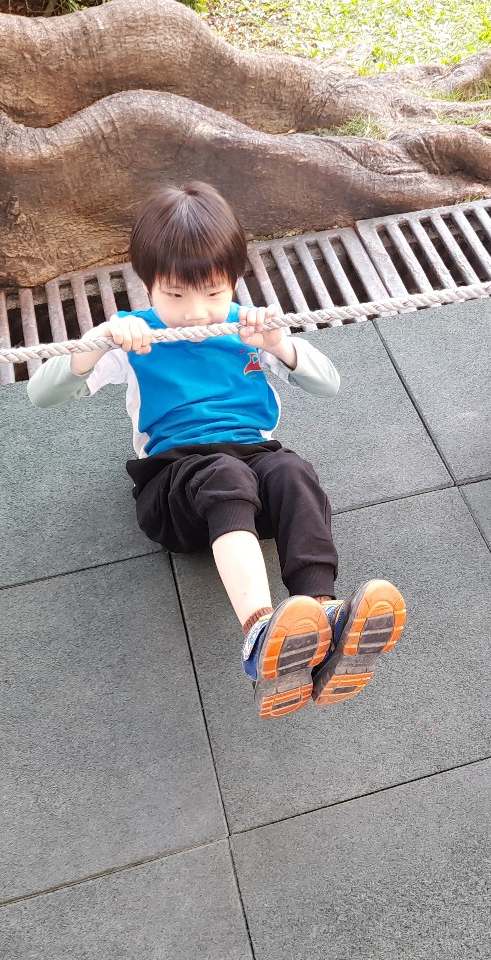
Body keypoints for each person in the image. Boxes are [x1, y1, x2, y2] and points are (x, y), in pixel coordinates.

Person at [28, 182, 405, 719]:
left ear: (234, 280)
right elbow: (41, 395)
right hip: (175, 485)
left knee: (291, 470)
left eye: (212, 293)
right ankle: (259, 634)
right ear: (147, 285)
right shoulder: (137, 337)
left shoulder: (246, 326)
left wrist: (278, 344)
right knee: (224, 473)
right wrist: (98, 344)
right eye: (175, 296)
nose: (196, 312)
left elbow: (328, 384)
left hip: (253, 468)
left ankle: (321, 615)